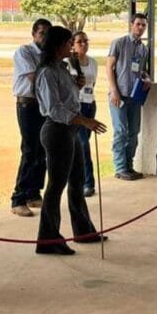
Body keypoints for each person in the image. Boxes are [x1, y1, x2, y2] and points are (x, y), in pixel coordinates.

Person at [35, 26, 108, 254]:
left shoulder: (63, 68)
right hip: (57, 131)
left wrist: (74, 87)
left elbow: (65, 98)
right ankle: (48, 239)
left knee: (77, 180)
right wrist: (84, 121)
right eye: (69, 43)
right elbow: (54, 108)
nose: (72, 47)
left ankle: (83, 230)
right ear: (58, 46)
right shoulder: (47, 72)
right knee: (56, 186)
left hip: (70, 130)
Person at [10, 18, 52, 217]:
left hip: (42, 104)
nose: (44, 37)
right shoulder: (24, 52)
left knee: (42, 149)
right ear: (34, 34)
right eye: (42, 33)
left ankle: (33, 193)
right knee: (29, 149)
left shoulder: (48, 55)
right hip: (27, 104)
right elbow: (35, 78)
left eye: (47, 34)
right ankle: (18, 198)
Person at [107, 13, 150, 181]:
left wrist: (146, 78)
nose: (140, 28)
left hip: (134, 96)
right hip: (119, 94)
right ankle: (120, 167)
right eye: (138, 24)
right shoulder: (119, 43)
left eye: (143, 25)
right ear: (131, 24)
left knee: (133, 132)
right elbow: (109, 68)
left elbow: (141, 70)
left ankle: (129, 165)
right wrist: (114, 90)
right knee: (121, 131)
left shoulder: (143, 49)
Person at [67, 31, 99, 197]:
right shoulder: (68, 63)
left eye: (86, 41)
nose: (84, 44)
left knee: (82, 144)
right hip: (76, 106)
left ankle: (78, 178)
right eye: (80, 42)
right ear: (73, 44)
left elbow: (93, 82)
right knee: (82, 146)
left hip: (89, 104)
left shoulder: (93, 62)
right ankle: (88, 182)